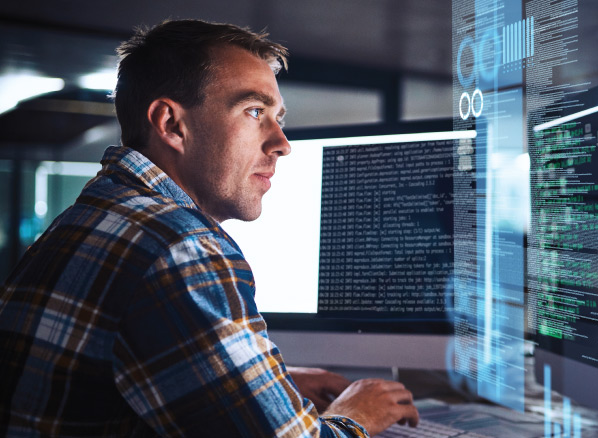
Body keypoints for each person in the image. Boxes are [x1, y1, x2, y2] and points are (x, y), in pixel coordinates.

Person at [0, 19, 418, 437]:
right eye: (254, 111)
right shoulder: (180, 245)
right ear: (170, 124)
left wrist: (265, 383)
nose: (282, 143)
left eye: (278, 117)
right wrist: (357, 413)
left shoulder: (96, 216)